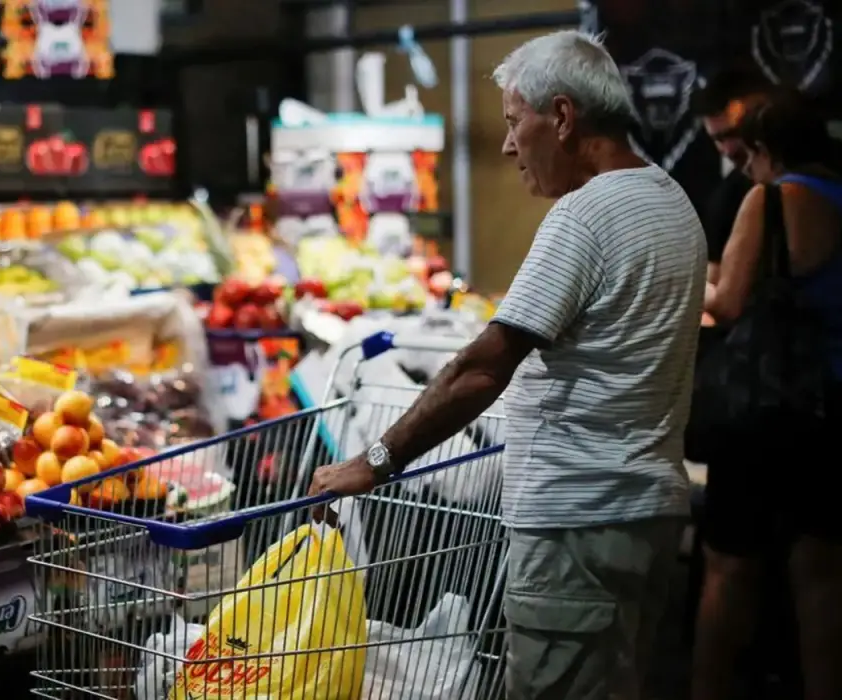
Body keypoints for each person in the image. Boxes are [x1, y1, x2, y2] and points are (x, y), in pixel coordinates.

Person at [308, 30, 705, 700]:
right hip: (643, 515)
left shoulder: (585, 216)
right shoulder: (671, 201)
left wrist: (372, 462)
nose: (507, 145)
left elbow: (480, 369)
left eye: (515, 122)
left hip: (576, 525)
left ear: (562, 117)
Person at [694, 94, 842, 700]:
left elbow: (728, 302)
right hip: (831, 409)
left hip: (765, 412)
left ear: (764, 151)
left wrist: (689, 280)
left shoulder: (772, 198)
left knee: (729, 568)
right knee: (823, 577)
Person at [694, 66, 773, 291]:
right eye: (718, 139)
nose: (729, 150)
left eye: (734, 133)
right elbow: (715, 283)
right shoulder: (727, 199)